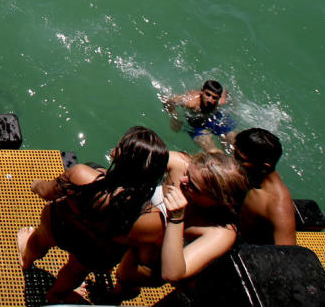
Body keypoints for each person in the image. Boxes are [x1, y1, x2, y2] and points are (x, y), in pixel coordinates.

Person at [17, 126, 169, 303]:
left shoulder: (82, 175)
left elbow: (47, 192)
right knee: (76, 270)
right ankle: (56, 294)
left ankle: (27, 260)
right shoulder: (152, 220)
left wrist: (36, 185)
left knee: (41, 238)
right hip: (97, 253)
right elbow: (146, 256)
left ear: (116, 154)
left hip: (61, 228)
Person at [117, 152, 249, 292]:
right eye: (187, 173)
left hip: (150, 261)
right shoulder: (181, 164)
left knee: (127, 274)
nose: (181, 180)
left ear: (217, 201)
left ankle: (121, 290)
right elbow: (125, 153)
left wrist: (176, 219)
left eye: (193, 186)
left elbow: (172, 274)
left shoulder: (221, 232)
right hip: (133, 228)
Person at [233, 128, 296, 245]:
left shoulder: (277, 205)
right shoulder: (252, 176)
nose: (233, 160)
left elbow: (287, 255)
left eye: (240, 159)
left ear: (264, 167)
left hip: (247, 252)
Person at [164, 80, 235, 152]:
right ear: (202, 91)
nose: (210, 100)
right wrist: (174, 116)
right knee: (212, 151)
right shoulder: (191, 102)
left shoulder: (221, 101)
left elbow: (226, 92)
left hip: (215, 117)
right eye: (207, 94)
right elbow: (168, 101)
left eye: (214, 98)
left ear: (219, 98)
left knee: (233, 142)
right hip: (197, 124)